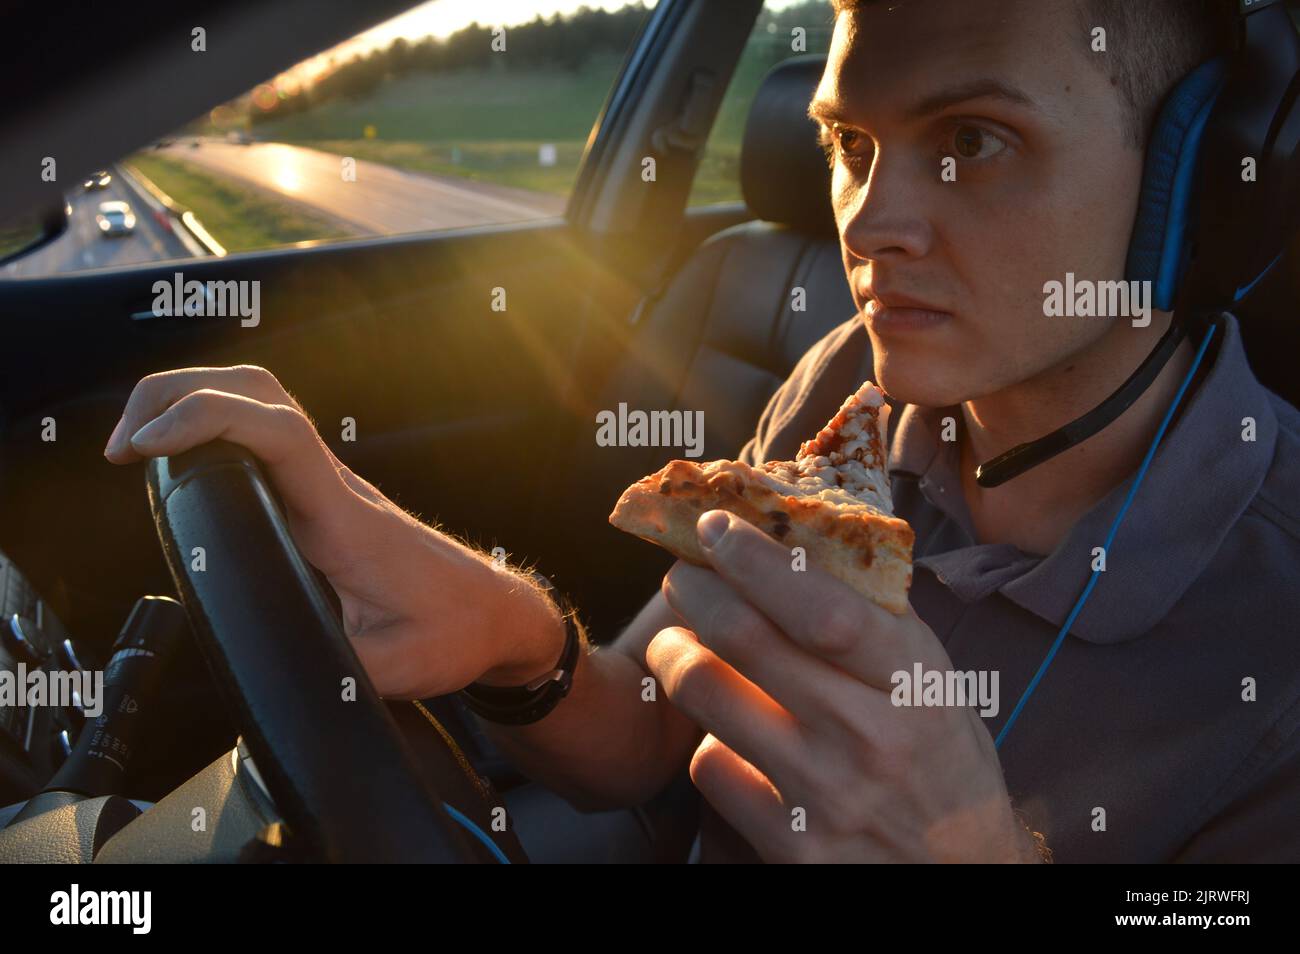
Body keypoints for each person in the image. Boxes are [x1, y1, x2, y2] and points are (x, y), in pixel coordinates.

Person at [102, 0, 1300, 862]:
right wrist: (512, 633)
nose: (869, 223)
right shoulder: (850, 397)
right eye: (850, 146)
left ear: (1197, 185)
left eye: (970, 141)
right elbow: (650, 734)